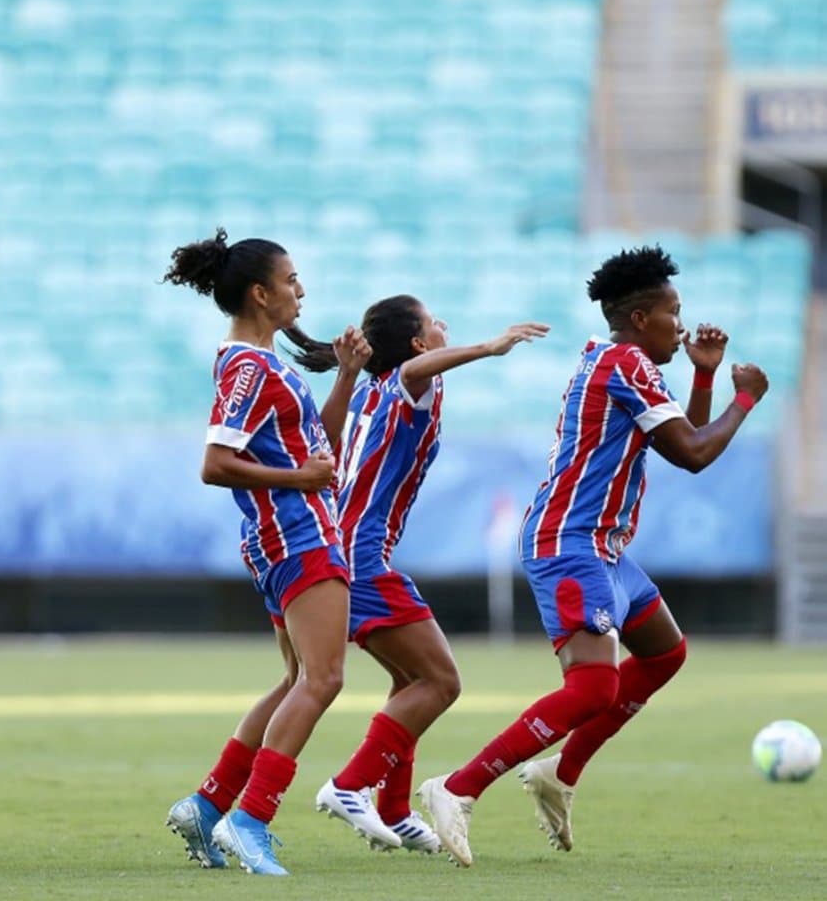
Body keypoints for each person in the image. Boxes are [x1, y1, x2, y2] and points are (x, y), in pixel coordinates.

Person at [417, 245, 769, 867]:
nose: (681, 326)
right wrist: (744, 399)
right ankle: (457, 786)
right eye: (673, 313)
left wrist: (706, 375)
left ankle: (560, 772)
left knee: (664, 652)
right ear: (640, 319)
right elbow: (691, 453)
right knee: (593, 688)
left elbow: (678, 443)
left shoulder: (618, 360)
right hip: (568, 544)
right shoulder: (626, 366)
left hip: (601, 547)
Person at [284, 296, 548, 853]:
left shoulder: (376, 390)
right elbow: (413, 370)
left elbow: (410, 366)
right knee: (442, 682)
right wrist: (488, 347)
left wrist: (441, 345)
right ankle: (350, 784)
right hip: (360, 559)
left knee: (410, 681)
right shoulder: (406, 384)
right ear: (417, 344)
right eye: (433, 323)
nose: (442, 325)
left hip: (345, 552)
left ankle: (396, 808)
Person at [162, 228, 371, 876]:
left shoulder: (264, 363)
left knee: (296, 680)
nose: (300, 290)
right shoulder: (248, 367)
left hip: (289, 531)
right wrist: (299, 483)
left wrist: (346, 377)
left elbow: (317, 447)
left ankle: (209, 805)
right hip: (295, 533)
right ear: (260, 293)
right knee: (324, 678)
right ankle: (250, 819)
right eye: (290, 280)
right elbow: (215, 463)